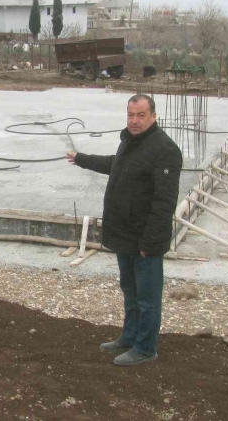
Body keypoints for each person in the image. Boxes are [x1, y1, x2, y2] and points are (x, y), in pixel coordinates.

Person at [66, 94, 182, 366]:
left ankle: (145, 348)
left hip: (144, 240)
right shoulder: (129, 141)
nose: (135, 120)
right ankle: (129, 338)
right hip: (125, 235)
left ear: (153, 116)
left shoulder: (165, 149)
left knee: (147, 298)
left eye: (141, 115)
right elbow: (115, 165)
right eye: (131, 115)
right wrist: (81, 158)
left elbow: (164, 203)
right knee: (130, 291)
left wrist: (150, 242)